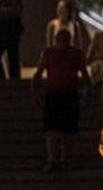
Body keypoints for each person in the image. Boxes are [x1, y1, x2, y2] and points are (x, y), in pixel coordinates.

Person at [32, 27, 91, 172]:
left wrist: (86, 93)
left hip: (68, 93)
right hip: (54, 93)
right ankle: (53, 159)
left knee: (67, 129)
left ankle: (63, 158)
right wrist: (35, 91)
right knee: (53, 129)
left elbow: (84, 75)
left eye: (64, 38)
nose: (62, 41)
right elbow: (38, 74)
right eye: (60, 38)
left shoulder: (75, 54)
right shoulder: (49, 53)